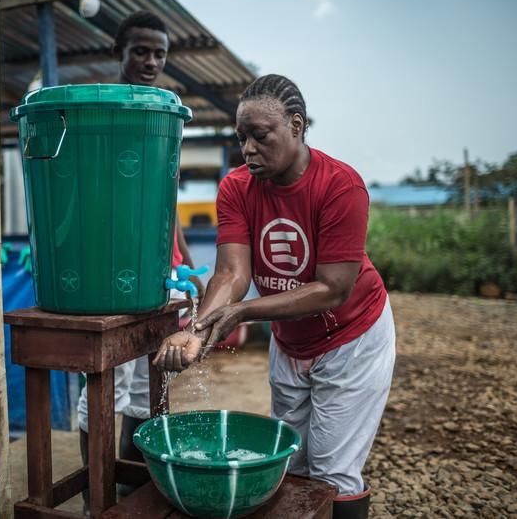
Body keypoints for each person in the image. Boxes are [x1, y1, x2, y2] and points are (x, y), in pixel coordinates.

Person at [153, 74, 395, 519]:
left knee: (332, 471)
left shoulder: (341, 186)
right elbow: (231, 271)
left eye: (260, 136)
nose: (247, 149)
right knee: (292, 459)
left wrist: (242, 313)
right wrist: (198, 330)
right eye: (241, 137)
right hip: (290, 341)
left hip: (352, 338)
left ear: (297, 126)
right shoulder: (238, 187)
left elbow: (333, 289)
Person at [75, 9, 203, 506]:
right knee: (109, 381)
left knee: (151, 382)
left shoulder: (163, 115)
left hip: (158, 271)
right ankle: (95, 494)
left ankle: (130, 485)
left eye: (159, 54)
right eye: (141, 52)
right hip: (111, 268)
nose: (151, 62)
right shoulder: (104, 112)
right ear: (119, 53)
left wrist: (185, 268)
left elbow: (166, 202)